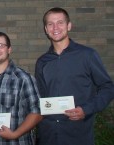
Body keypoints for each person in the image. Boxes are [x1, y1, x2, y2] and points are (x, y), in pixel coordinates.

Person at [35, 7, 114, 145]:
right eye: (50, 24)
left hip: (78, 133)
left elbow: (107, 87)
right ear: (46, 29)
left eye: (60, 22)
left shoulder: (87, 55)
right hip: (48, 135)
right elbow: (40, 96)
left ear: (69, 26)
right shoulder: (42, 61)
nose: (55, 27)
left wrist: (86, 109)